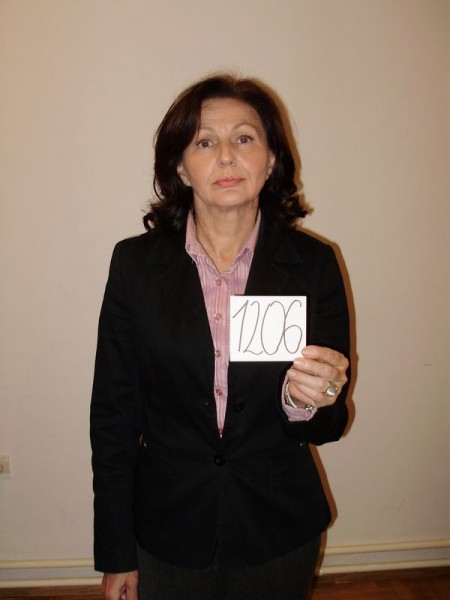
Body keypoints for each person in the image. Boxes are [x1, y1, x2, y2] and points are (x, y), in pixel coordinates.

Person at [90, 74, 350, 600]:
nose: (226, 156)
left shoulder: (313, 264)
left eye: (244, 138)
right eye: (205, 142)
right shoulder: (135, 265)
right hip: (166, 526)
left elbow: (329, 423)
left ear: (271, 160)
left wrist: (309, 400)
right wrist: (116, 551)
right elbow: (113, 418)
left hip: (277, 526)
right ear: (180, 167)